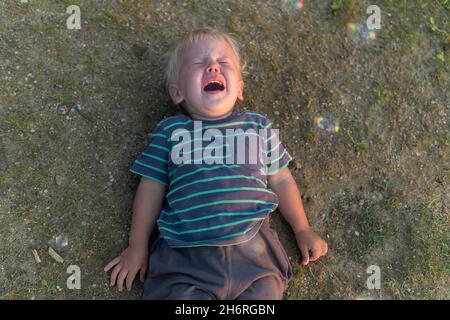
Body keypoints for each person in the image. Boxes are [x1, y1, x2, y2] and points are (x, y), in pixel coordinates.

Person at [104, 27, 328, 300]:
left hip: (254, 254)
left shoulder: (257, 126)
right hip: (185, 259)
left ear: (240, 89)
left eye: (223, 62)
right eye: (199, 63)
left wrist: (302, 229)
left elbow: (281, 179)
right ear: (177, 93)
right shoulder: (170, 132)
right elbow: (151, 187)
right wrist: (137, 246)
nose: (212, 67)